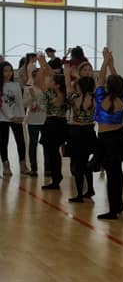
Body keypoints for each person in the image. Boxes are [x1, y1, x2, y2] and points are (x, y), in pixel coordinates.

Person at [91, 48, 123, 220]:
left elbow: (100, 79)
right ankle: (118, 204)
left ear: (108, 86)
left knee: (111, 174)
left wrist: (105, 61)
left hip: (107, 140)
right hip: (120, 136)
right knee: (116, 173)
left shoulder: (101, 97)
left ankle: (113, 209)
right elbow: (115, 81)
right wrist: (111, 65)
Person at [64, 65, 97, 202]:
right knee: (86, 163)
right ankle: (90, 189)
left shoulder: (74, 99)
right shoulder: (95, 99)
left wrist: (67, 75)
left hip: (76, 134)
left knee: (78, 165)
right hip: (89, 132)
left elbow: (68, 88)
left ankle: (79, 195)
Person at [36, 54, 68, 190]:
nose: (49, 81)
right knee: (55, 153)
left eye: (51, 81)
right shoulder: (65, 93)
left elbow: (39, 82)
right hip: (61, 123)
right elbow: (53, 76)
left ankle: (56, 179)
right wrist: (44, 64)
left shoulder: (51, 93)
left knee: (52, 153)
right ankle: (56, 177)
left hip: (51, 124)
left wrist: (42, 65)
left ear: (56, 85)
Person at [0, 61, 26, 177]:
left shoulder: (16, 85)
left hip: (17, 118)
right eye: (5, 71)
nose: (9, 73)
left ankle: (23, 164)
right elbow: (1, 104)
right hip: (3, 118)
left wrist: (21, 116)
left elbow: (20, 101)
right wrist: (11, 116)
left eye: (10, 70)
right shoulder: (1, 86)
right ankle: (6, 165)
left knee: (21, 141)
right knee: (3, 142)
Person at [23, 66, 46, 177]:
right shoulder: (29, 89)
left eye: (43, 76)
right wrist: (31, 99)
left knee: (46, 144)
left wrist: (41, 107)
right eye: (39, 76)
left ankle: (48, 168)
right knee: (33, 144)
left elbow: (49, 103)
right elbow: (24, 103)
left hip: (45, 120)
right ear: (34, 77)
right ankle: (33, 168)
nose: (41, 78)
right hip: (33, 120)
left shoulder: (46, 89)